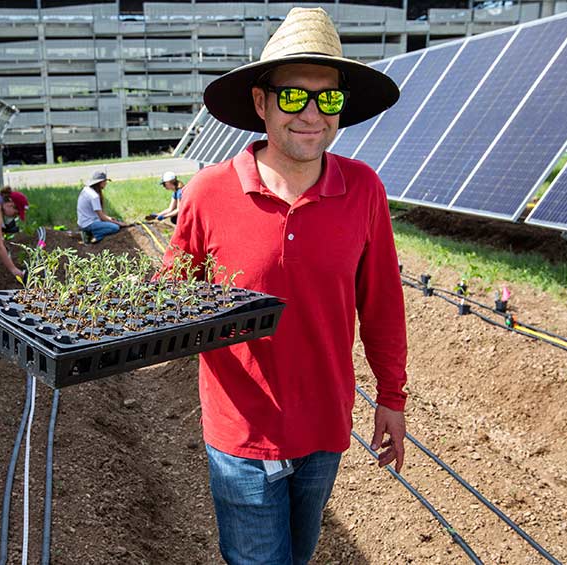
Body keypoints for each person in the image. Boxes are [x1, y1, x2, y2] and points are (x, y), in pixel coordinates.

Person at [163, 7, 407, 564]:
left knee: (299, 556)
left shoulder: (363, 189)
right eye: (294, 96)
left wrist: (392, 397)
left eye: (328, 98)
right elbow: (166, 300)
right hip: (240, 433)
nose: (312, 114)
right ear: (261, 102)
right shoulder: (207, 193)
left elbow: (383, 306)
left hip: (324, 425)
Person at [76, 171, 128, 243]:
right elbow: (102, 217)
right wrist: (119, 224)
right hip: (89, 224)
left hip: (83, 221)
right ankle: (94, 236)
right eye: (105, 181)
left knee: (115, 221)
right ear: (100, 182)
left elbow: (99, 214)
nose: (106, 183)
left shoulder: (86, 190)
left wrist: (110, 219)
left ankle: (90, 232)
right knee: (115, 227)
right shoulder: (94, 196)